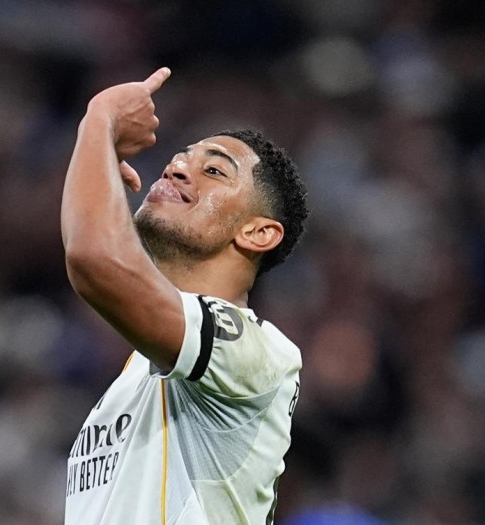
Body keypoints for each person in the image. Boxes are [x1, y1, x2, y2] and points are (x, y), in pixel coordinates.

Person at [60, 67, 309, 525]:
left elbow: (95, 261)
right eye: (180, 160)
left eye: (213, 170)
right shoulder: (136, 373)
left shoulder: (258, 352)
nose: (175, 168)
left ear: (257, 233)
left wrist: (100, 120)